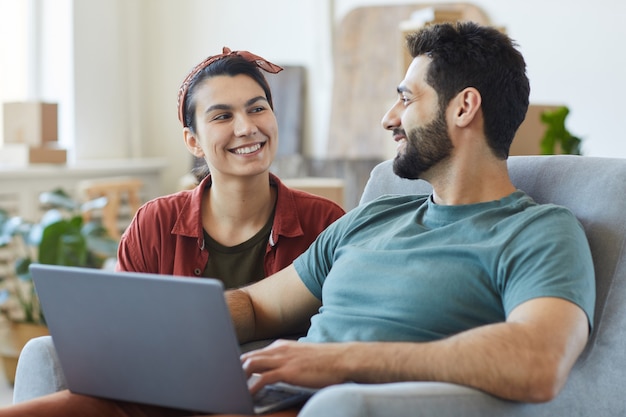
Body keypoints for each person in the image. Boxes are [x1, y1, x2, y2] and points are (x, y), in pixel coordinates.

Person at [1, 22, 595, 417]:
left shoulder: (538, 232)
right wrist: (156, 330)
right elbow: (259, 306)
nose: (390, 116)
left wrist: (338, 360)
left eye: (407, 98)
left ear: (465, 107)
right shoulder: (373, 219)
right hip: (258, 394)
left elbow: (538, 360)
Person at [115, 47, 345, 288]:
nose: (246, 128)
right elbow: (123, 321)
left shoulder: (326, 223)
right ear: (193, 142)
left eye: (257, 109)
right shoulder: (154, 225)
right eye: (222, 116)